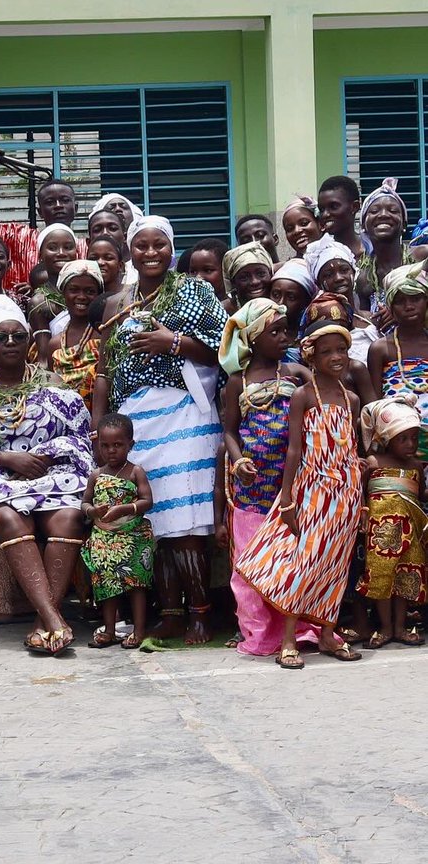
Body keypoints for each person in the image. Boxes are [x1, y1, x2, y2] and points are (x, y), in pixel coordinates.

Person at [93, 216, 226, 645]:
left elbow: (224, 350)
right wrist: (105, 425)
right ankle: (170, 616)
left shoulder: (195, 290)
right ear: (130, 250)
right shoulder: (118, 303)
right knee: (156, 523)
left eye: (160, 245)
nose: (151, 253)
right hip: (139, 419)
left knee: (186, 523)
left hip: (186, 412)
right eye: (142, 245)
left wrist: (172, 342)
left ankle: (201, 615)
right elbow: (107, 370)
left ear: (172, 249)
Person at [0, 295, 94, 655]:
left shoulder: (51, 380)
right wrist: (9, 459)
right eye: (1, 337)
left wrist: (49, 455)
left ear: (30, 339)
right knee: (9, 518)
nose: (11, 343)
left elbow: (78, 436)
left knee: (70, 517)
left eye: (19, 336)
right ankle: (55, 619)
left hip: (50, 474)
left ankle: (41, 623)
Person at [234, 299, 365, 669]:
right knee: (304, 561)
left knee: (335, 565)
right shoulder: (303, 397)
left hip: (346, 493)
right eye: (327, 352)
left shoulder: (352, 399)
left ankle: (326, 633)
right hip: (312, 491)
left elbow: (351, 448)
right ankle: (289, 638)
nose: (337, 357)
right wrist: (288, 498)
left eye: (341, 350)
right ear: (311, 356)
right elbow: (293, 451)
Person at [217, 299, 315, 657]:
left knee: (289, 561)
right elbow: (229, 431)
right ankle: (259, 634)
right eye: (275, 331)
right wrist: (239, 458)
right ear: (253, 338)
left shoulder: (296, 374)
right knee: (250, 566)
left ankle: (300, 628)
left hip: (290, 484)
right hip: (252, 486)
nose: (284, 337)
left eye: (286, 330)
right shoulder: (236, 381)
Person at [78, 413, 154, 649]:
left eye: (118, 445)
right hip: (104, 539)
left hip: (133, 538)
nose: (111, 451)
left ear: (130, 444)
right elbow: (84, 503)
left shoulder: (135, 472)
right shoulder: (96, 475)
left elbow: (147, 501)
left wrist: (124, 508)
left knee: (135, 585)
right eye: (105, 446)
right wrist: (93, 512)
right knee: (106, 585)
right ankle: (110, 630)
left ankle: (139, 631)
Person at [357, 395, 427, 648]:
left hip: (411, 534)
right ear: (386, 439)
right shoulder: (374, 463)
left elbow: (420, 496)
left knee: (406, 578)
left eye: (414, 438)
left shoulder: (417, 466)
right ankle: (385, 628)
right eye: (402, 439)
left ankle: (400, 627)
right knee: (381, 577)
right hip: (380, 534)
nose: (410, 444)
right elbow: (361, 492)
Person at [0, 148, 79, 288]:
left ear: (76, 208)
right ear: (39, 211)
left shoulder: (88, 247)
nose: (58, 206)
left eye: (65, 200)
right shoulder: (18, 238)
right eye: (49, 202)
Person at [367, 264, 428, 446]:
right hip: (398, 440)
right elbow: (376, 403)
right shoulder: (381, 349)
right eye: (400, 301)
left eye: (415, 299)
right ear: (390, 307)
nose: (408, 306)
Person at [304, 235, 378, 362]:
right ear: (318, 283)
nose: (338, 278)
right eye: (328, 274)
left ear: (354, 273)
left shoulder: (371, 317)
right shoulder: (322, 317)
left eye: (344, 270)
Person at [356, 177, 424, 314]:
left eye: (392, 211)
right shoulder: (363, 277)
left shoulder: (421, 258)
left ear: (404, 224)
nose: (383, 215)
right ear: (363, 225)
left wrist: (400, 314)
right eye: (374, 211)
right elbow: (363, 323)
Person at [44, 260, 102, 409]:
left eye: (90, 291)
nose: (81, 297)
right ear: (63, 292)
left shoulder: (103, 335)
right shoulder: (55, 344)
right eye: (74, 290)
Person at [270, 258, 317, 357]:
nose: (281, 303)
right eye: (275, 295)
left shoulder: (312, 335)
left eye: (291, 297)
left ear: (306, 301)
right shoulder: (260, 333)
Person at [318, 175, 365, 258]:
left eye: (333, 207)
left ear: (354, 207)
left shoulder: (372, 251)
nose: (325, 214)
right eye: (321, 209)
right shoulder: (319, 255)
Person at [178, 238, 232, 309]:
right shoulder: (183, 308)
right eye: (193, 272)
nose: (198, 278)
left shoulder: (240, 309)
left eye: (208, 270)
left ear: (225, 271)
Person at [222, 242, 274, 308]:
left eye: (261, 274)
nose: (254, 282)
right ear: (233, 282)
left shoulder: (283, 303)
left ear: (270, 273)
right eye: (244, 277)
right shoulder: (223, 311)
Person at [282, 195, 324, 259]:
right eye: (290, 229)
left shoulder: (337, 257)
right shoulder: (289, 267)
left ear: (320, 224)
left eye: (304, 223)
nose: (297, 231)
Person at [86, 235, 124, 299]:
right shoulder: (81, 297)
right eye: (93, 258)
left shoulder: (131, 296)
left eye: (108, 258)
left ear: (120, 266)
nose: (100, 262)